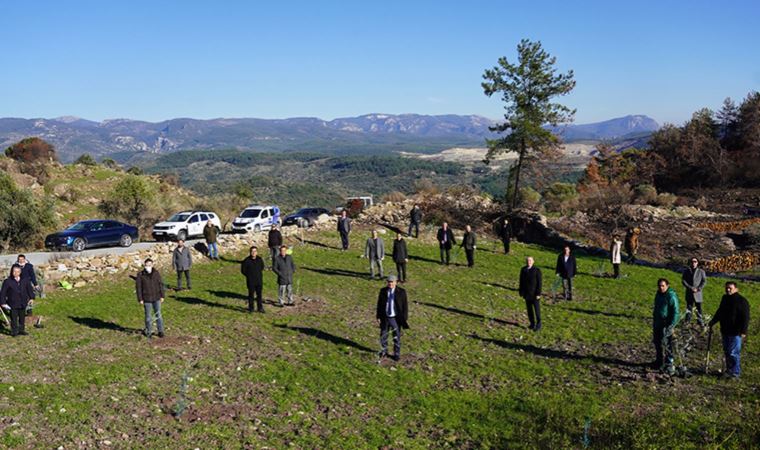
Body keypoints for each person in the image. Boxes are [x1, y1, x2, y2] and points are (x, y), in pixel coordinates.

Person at [709, 282, 750, 378]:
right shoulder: (725, 299)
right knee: (727, 351)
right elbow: (720, 311)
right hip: (725, 330)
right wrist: (713, 321)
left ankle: (735, 373)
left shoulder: (741, 301)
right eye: (727, 288)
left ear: (736, 289)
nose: (728, 290)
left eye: (730, 288)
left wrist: (744, 331)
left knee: (733, 352)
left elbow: (745, 317)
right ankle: (729, 370)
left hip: (736, 331)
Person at [376, 275, 409, 361]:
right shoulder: (383, 291)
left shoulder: (401, 292)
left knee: (396, 336)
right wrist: (378, 316)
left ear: (396, 282)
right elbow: (379, 304)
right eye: (389, 282)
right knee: (383, 335)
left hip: (396, 318)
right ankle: (384, 351)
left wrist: (404, 318)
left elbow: (405, 306)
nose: (390, 284)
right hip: (385, 317)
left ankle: (396, 354)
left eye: (392, 282)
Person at [652, 278, 679, 374]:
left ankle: (669, 362)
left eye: (663, 286)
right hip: (657, 322)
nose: (661, 287)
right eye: (659, 286)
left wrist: (671, 325)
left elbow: (675, 311)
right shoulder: (658, 294)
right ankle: (659, 361)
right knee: (657, 342)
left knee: (667, 344)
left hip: (666, 324)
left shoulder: (671, 296)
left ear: (667, 286)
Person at [1, 265, 35, 337]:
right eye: (14, 271)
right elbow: (3, 293)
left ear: (20, 272)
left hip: (23, 302)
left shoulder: (25, 280)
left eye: (18, 271)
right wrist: (3, 303)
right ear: (12, 272)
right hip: (12, 303)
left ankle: (21, 330)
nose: (16, 273)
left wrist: (31, 298)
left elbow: (29, 289)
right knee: (14, 318)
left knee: (22, 317)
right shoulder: (8, 281)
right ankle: (14, 331)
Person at [135, 258, 165, 338]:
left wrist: (162, 295)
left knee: (158, 315)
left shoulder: (156, 273)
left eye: (149, 265)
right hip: (146, 298)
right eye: (146, 265)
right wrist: (140, 298)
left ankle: (160, 331)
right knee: (148, 316)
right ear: (144, 265)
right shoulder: (140, 275)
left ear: (152, 265)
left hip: (156, 297)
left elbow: (160, 284)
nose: (148, 266)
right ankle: (149, 331)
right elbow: (138, 287)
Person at [519, 257, 543, 331]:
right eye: (527, 260)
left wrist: (538, 293)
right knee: (529, 310)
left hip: (535, 294)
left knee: (537, 310)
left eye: (530, 260)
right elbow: (521, 281)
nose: (528, 262)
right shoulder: (523, 269)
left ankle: (538, 325)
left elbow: (539, 283)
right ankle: (532, 324)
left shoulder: (537, 270)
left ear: (533, 261)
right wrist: (521, 291)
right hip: (527, 294)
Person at [681, 257, 707, 325]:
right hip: (689, 292)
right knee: (689, 307)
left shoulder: (701, 271)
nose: (693, 263)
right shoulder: (687, 271)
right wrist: (690, 288)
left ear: (697, 263)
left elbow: (704, 281)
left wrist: (698, 288)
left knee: (699, 308)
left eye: (695, 261)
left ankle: (700, 321)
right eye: (692, 261)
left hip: (698, 293)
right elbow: (683, 280)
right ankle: (687, 321)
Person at [241, 246, 265, 313]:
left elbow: (262, 267)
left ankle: (260, 308)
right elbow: (243, 270)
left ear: (257, 252)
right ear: (250, 252)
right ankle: (251, 308)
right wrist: (249, 276)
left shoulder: (259, 259)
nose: (254, 253)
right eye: (252, 251)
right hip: (251, 281)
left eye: (255, 251)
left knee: (259, 295)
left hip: (259, 280)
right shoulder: (246, 261)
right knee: (251, 295)